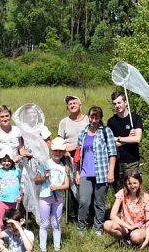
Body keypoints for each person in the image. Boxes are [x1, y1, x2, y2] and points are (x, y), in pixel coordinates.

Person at [74, 106, 117, 235]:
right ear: (88, 117)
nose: (93, 120)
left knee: (99, 202)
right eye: (92, 117)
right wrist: (77, 172)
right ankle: (81, 226)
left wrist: (111, 172)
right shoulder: (83, 133)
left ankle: (98, 227)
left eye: (96, 117)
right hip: (85, 173)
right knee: (83, 201)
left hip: (102, 172)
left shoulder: (106, 131)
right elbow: (78, 154)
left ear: (100, 118)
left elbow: (112, 153)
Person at [0, 105, 26, 235]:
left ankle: (17, 227)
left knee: (17, 198)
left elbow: (21, 149)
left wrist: (23, 155)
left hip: (14, 171)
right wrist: (7, 160)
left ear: (10, 116)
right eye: (2, 116)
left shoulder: (17, 131)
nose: (5, 118)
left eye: (7, 116)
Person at [58, 95, 89, 223]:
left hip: (87, 157)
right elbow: (59, 141)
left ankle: (87, 215)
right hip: (69, 157)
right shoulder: (64, 122)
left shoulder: (87, 119)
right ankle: (71, 216)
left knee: (85, 184)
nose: (72, 105)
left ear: (80, 105)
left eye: (74, 103)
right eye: (69, 104)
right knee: (71, 185)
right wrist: (65, 150)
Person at [35, 137, 70, 252]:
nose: (58, 153)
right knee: (44, 223)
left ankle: (57, 248)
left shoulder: (64, 167)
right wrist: (44, 176)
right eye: (56, 150)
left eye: (60, 151)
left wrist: (58, 187)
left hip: (58, 198)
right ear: (51, 151)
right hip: (45, 198)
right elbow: (36, 180)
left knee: (56, 223)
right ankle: (43, 249)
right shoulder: (45, 164)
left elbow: (67, 185)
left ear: (63, 152)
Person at [104, 172, 149, 249]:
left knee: (135, 237)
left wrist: (147, 240)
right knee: (107, 225)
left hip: (140, 228)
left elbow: (148, 221)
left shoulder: (146, 197)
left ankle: (140, 241)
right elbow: (112, 215)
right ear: (126, 184)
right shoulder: (122, 193)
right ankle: (125, 241)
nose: (132, 186)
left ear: (140, 183)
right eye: (129, 183)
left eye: (135, 183)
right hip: (126, 227)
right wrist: (130, 227)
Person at [107, 91, 143, 192]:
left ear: (125, 102)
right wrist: (128, 138)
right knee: (118, 192)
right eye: (114, 103)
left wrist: (118, 138)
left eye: (119, 102)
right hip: (117, 162)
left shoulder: (135, 118)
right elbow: (112, 144)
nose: (117, 106)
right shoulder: (111, 121)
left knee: (133, 190)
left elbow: (137, 139)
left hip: (132, 161)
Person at [0, 148, 22, 235]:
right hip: (3, 200)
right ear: (0, 161)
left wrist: (21, 195)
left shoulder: (17, 171)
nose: (6, 163)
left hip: (15, 200)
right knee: (1, 221)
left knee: (13, 221)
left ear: (12, 161)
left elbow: (21, 182)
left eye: (8, 161)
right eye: (4, 161)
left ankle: (12, 238)